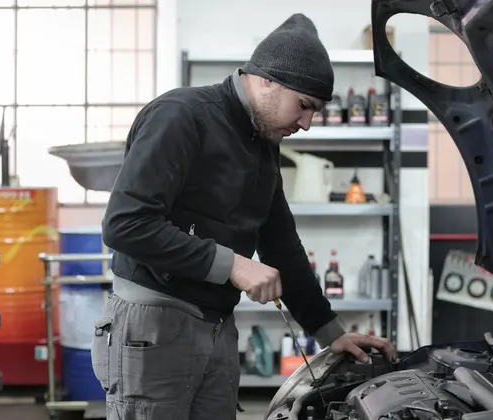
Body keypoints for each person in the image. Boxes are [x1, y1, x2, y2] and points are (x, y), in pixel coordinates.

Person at [95, 12, 398, 420]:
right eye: (304, 106)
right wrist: (233, 265)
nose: (307, 124)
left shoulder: (261, 139)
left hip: (217, 326)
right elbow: (125, 224)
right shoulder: (181, 116)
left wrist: (332, 334)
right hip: (153, 329)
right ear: (267, 79)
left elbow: (281, 245)